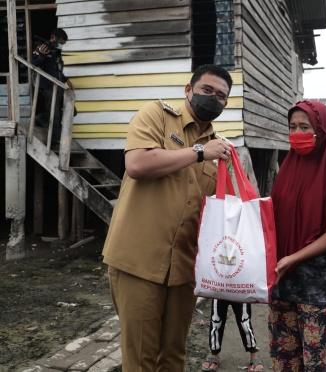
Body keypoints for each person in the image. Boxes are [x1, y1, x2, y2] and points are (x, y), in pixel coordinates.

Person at [102, 64, 234, 371]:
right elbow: (137, 163)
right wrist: (200, 151)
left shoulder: (221, 148)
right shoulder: (157, 116)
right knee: (140, 361)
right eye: (207, 90)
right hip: (138, 263)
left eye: (222, 96)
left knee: (173, 357)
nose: (214, 99)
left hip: (184, 270)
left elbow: (220, 209)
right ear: (188, 90)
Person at [269, 100, 326, 371]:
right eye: (292, 127)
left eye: (304, 127)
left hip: (317, 286)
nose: (297, 133)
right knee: (285, 357)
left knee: (316, 361)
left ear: (321, 129)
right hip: (283, 281)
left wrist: (294, 258)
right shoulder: (287, 167)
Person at [31, 28, 71, 142]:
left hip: (58, 86)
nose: (61, 45)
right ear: (53, 37)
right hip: (47, 87)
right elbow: (32, 64)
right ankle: (55, 140)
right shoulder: (42, 48)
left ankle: (42, 118)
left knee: (68, 110)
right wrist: (41, 55)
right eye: (60, 42)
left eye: (63, 43)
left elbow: (57, 69)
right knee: (55, 113)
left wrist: (66, 80)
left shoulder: (56, 52)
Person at [201, 299, 264, 372]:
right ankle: (214, 354)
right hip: (219, 290)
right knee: (216, 320)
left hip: (241, 290)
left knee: (245, 322)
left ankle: (254, 356)